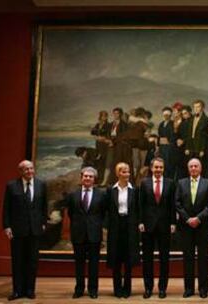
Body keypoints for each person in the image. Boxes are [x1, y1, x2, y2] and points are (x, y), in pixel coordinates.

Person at [3, 160, 47, 301]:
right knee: (18, 261)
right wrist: (7, 226)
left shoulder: (41, 185)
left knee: (32, 261)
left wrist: (44, 223)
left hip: (35, 230)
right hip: (17, 230)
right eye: (26, 169)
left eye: (31, 168)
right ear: (20, 171)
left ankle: (30, 290)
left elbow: (44, 207)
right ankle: (17, 291)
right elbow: (6, 209)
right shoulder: (11, 186)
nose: (29, 171)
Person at [175, 158, 208, 298]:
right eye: (191, 166)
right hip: (186, 227)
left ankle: (203, 289)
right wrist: (187, 219)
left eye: (196, 166)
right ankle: (189, 289)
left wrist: (198, 218)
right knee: (188, 259)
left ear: (200, 168)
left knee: (203, 259)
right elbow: (177, 203)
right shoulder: (181, 183)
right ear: (188, 169)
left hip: (203, 226)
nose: (193, 168)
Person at [139, 157, 176, 299]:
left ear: (164, 169)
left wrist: (173, 222)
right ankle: (148, 288)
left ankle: (162, 288)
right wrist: (141, 221)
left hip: (165, 225)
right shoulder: (144, 183)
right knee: (147, 259)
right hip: (147, 226)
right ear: (151, 168)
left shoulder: (170, 183)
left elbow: (172, 205)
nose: (158, 170)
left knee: (164, 259)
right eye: (156, 167)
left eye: (161, 167)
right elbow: (140, 204)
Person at [66, 167, 106, 299]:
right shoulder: (73, 195)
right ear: (81, 178)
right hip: (78, 234)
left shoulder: (101, 194)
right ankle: (79, 289)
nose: (88, 178)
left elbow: (103, 214)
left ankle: (93, 290)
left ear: (94, 179)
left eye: (90, 177)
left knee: (94, 264)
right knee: (79, 264)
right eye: (85, 176)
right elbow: (71, 214)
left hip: (94, 234)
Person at [106, 162, 140, 298]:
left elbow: (137, 210)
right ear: (118, 173)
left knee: (128, 258)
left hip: (130, 225)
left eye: (128, 171)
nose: (127, 174)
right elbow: (107, 210)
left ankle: (127, 290)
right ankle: (117, 289)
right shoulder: (110, 190)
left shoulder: (135, 190)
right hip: (115, 226)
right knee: (116, 258)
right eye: (124, 172)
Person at [91, 110, 112, 183]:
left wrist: (103, 138)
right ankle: (98, 179)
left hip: (104, 144)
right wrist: (97, 137)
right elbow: (93, 132)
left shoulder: (108, 125)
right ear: (100, 117)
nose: (104, 117)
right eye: (103, 116)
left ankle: (103, 180)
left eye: (105, 116)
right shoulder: (98, 124)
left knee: (103, 160)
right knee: (98, 160)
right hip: (98, 144)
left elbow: (109, 135)